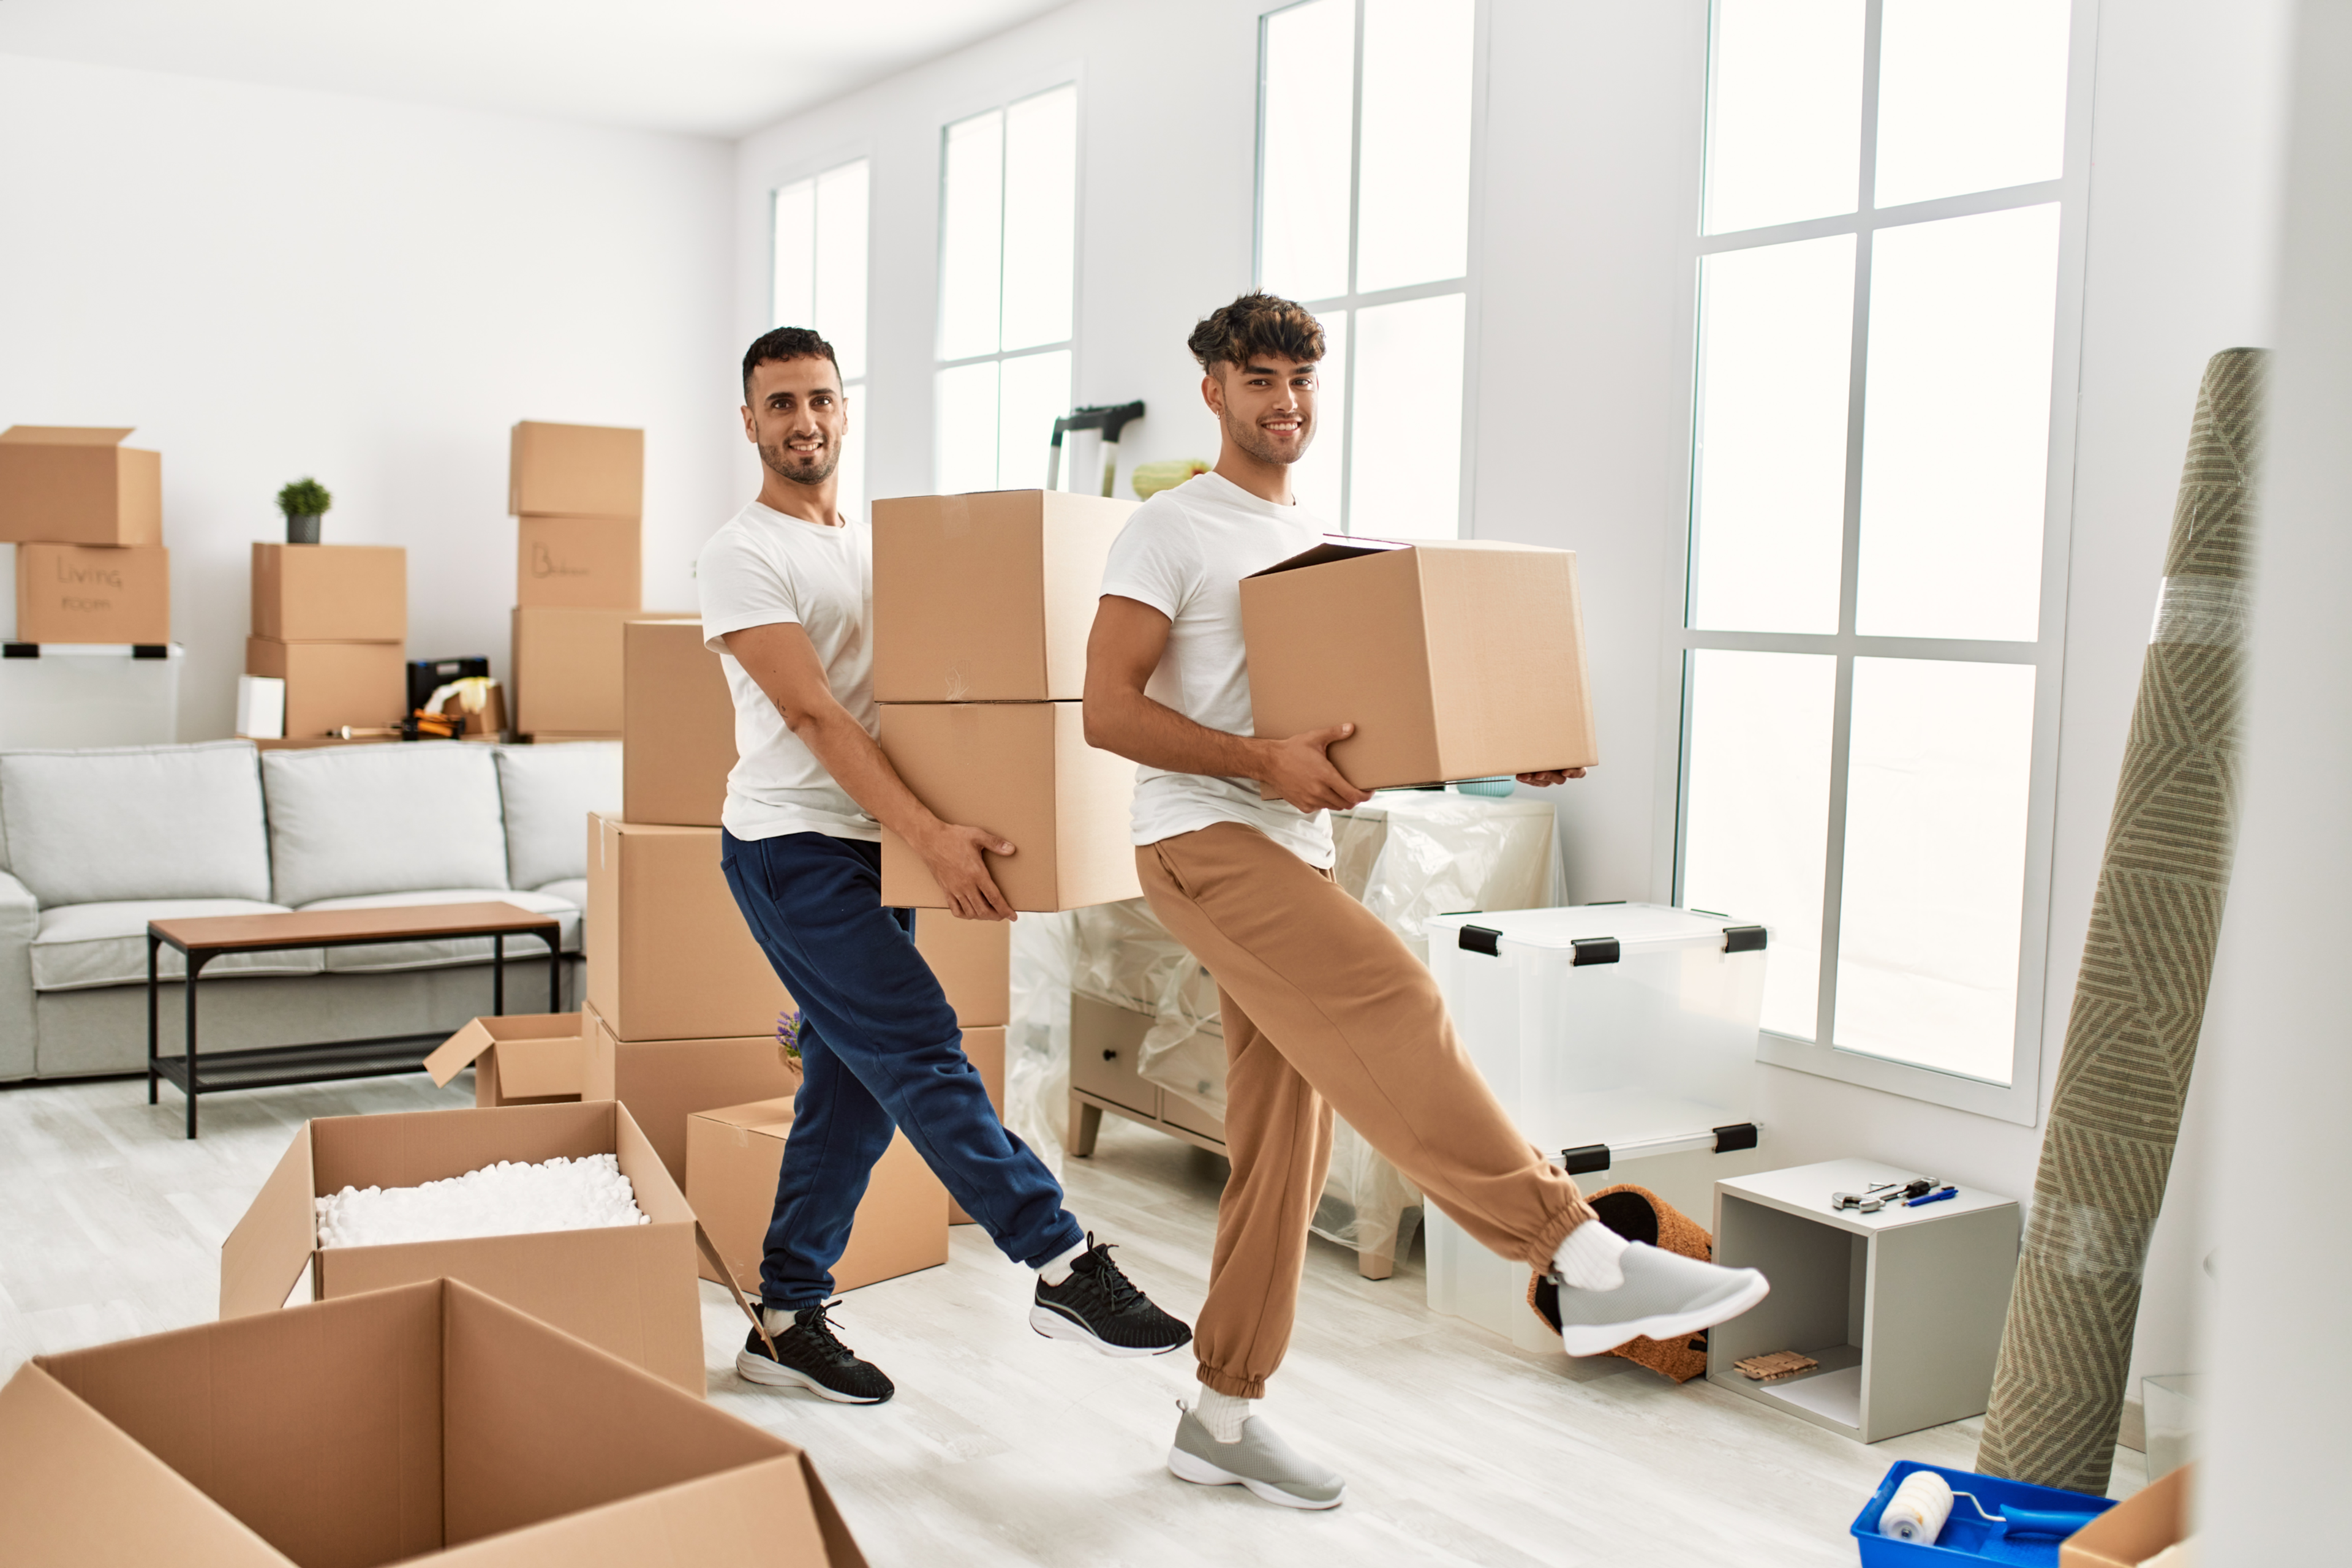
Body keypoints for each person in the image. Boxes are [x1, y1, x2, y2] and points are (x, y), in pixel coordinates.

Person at [1082, 293, 1770, 1509]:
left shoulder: (1318, 540)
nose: (1283, 400)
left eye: (1300, 378)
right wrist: (1261, 765)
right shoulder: (1172, 530)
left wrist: (1507, 746)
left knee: (1283, 1143)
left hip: (1288, 846)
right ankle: (1579, 1250)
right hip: (1201, 838)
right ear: (1213, 391)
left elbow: (1356, 726)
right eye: (1258, 378)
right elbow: (1107, 711)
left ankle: (1222, 1408)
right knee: (1395, 994)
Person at [699, 325, 1192, 1405]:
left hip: (875, 849)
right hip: (792, 846)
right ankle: (1062, 1262)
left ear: (844, 407)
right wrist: (931, 837)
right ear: (749, 422)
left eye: (819, 399)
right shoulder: (744, 553)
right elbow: (812, 712)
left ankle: (785, 1318)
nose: (803, 422)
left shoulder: (877, 545)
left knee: (856, 1090)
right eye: (778, 404)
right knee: (922, 1052)